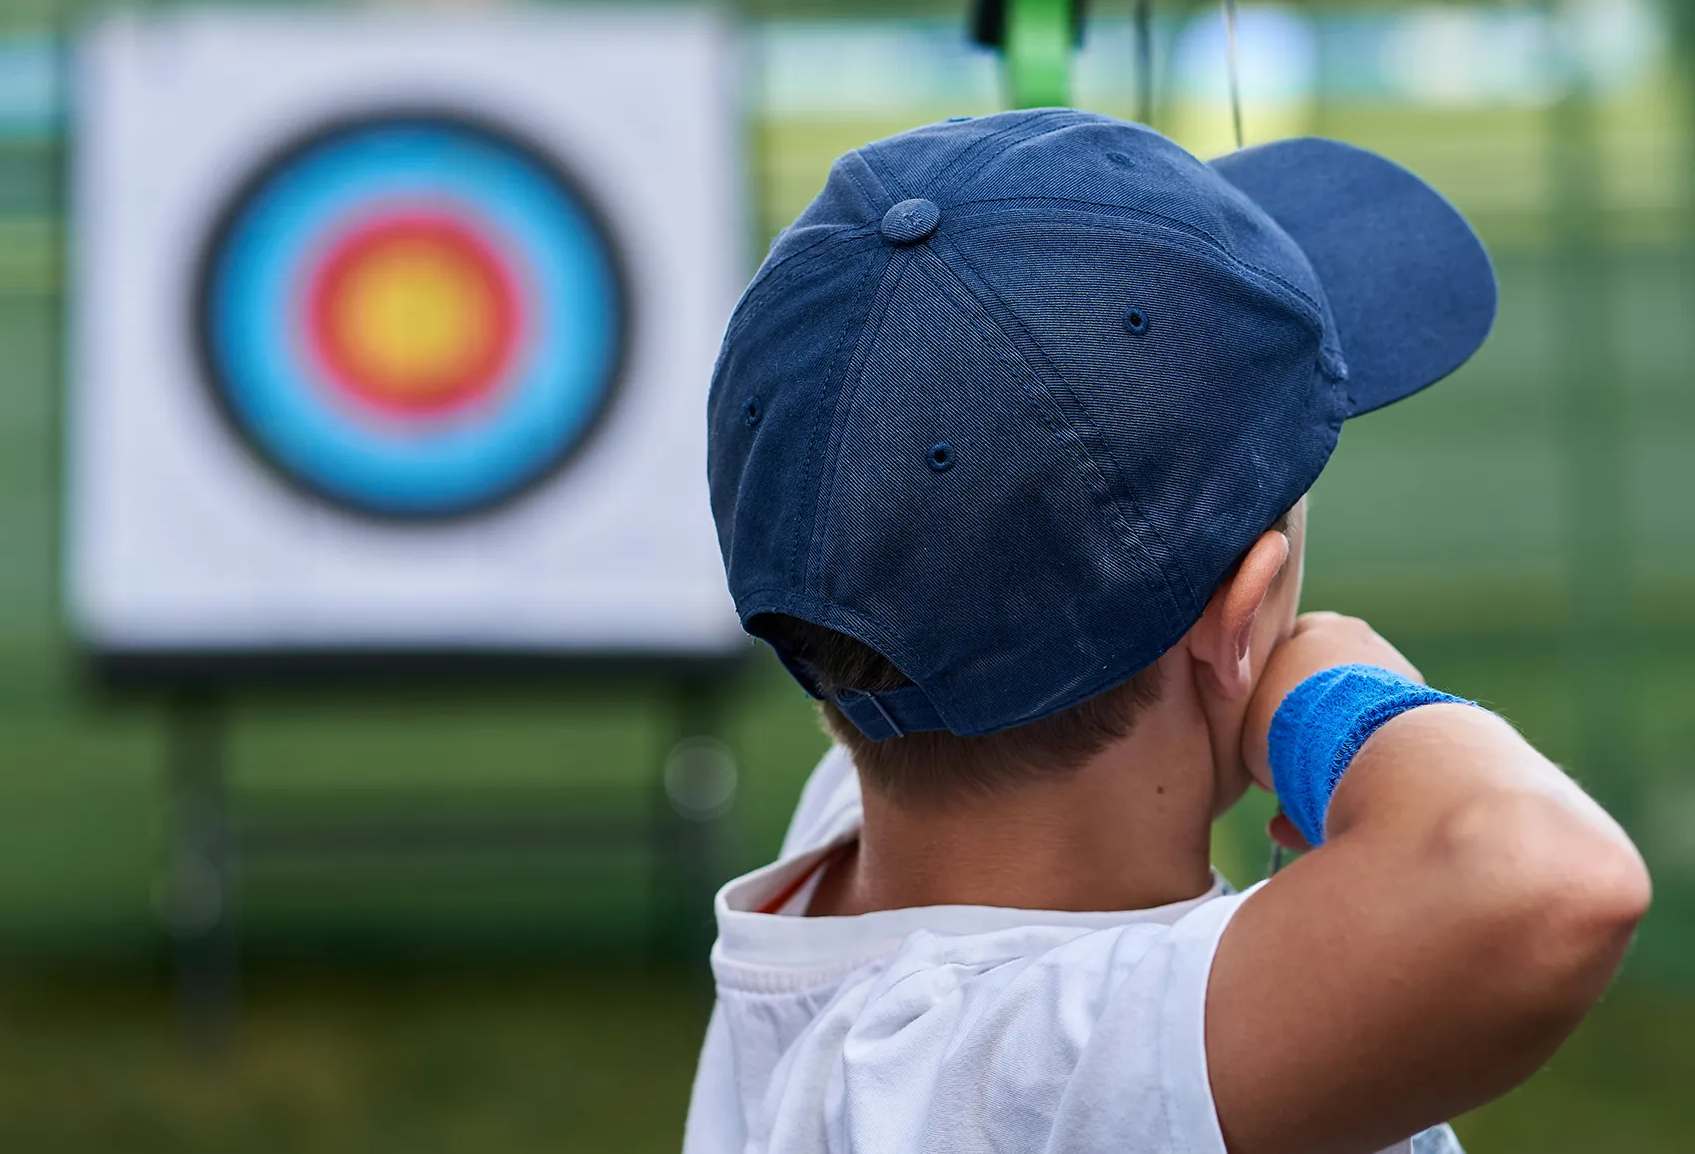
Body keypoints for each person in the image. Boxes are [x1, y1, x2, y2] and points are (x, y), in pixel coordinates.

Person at [687, 110, 1649, 1154]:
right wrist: (1331, 704)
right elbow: (1546, 880)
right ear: (1242, 616)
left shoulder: (856, 843)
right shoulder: (1009, 1073)